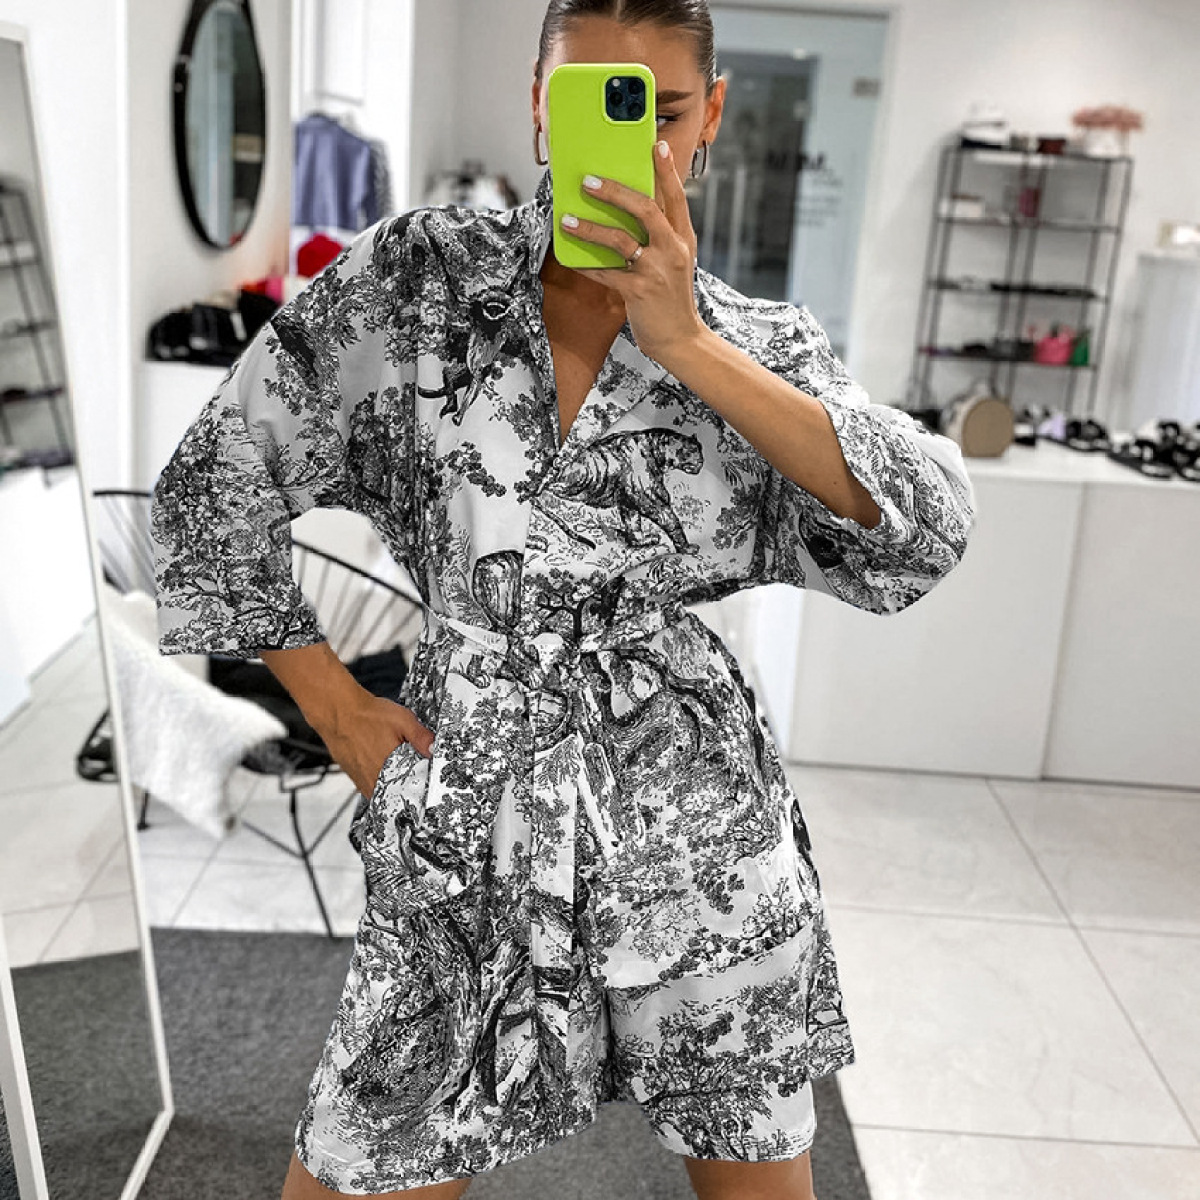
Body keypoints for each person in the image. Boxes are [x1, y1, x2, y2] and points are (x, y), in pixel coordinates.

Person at [150, 3, 976, 1197]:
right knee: (359, 1159)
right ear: (540, 103)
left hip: (691, 826)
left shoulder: (753, 342)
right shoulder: (421, 284)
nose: (635, 143)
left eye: (666, 111)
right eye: (595, 103)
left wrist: (686, 342)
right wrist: (335, 709)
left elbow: (927, 530)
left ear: (712, 117)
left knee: (753, 1166)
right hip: (465, 810)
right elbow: (209, 484)